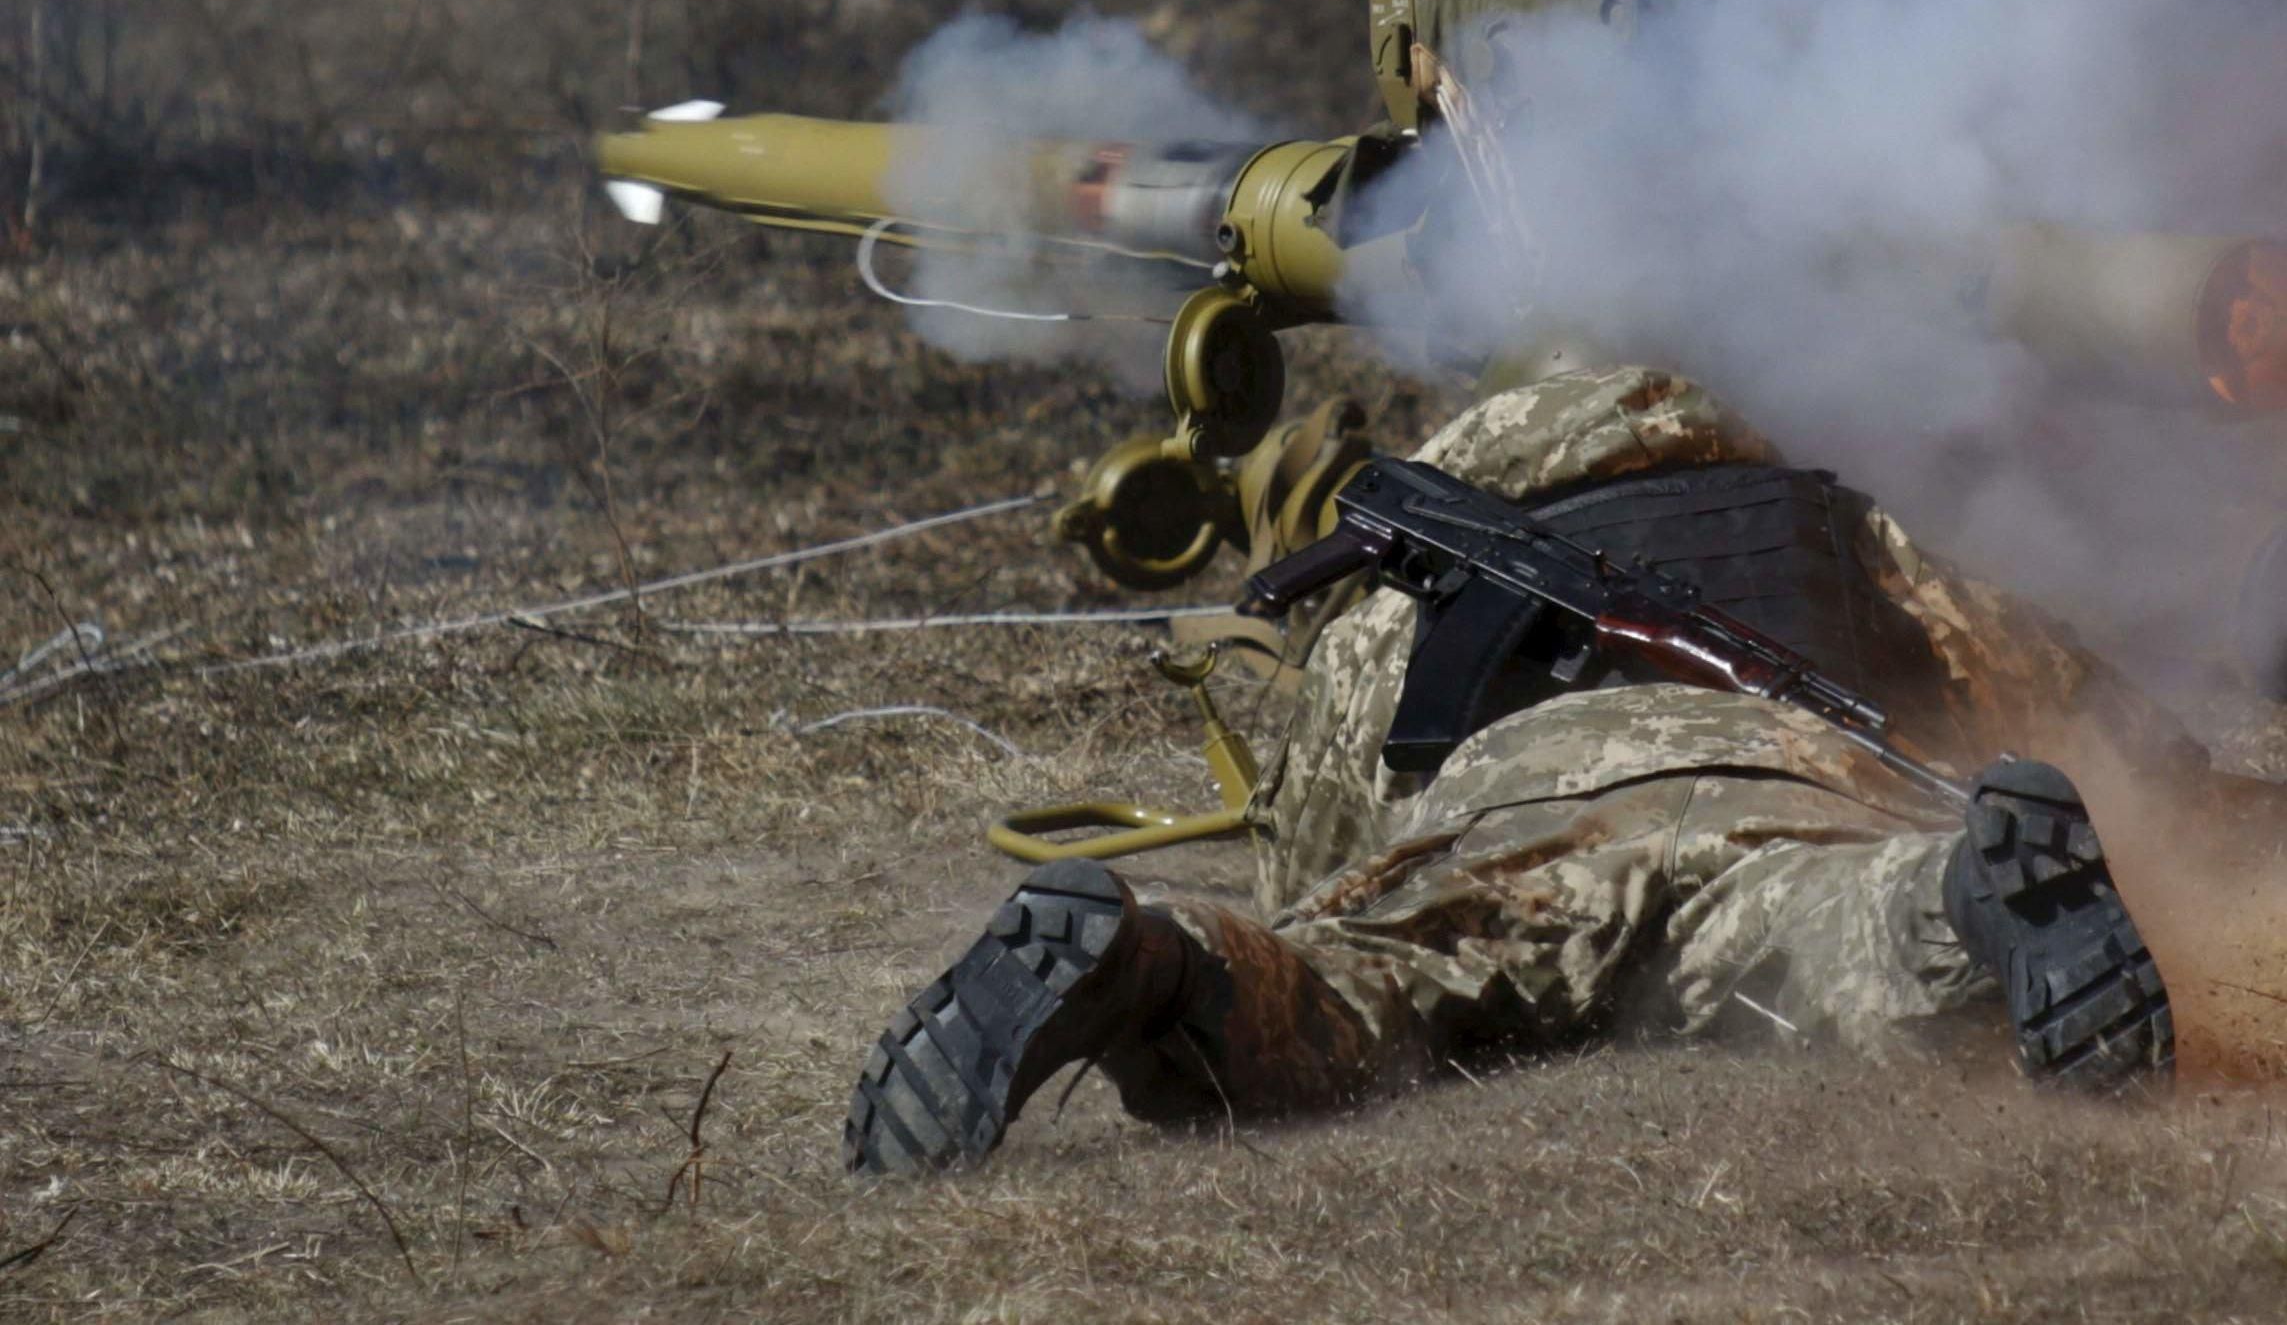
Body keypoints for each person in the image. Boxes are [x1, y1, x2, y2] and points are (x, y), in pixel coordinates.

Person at [845, 366, 2195, 1173]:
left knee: (1349, 984)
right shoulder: (1830, 524)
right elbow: (2029, 678)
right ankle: (1962, 900)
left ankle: (1138, 965)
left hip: (1505, 814)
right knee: (1843, 931)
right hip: (1782, 787)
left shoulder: (1398, 588)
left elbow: (1327, 814)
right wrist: (2195, 788)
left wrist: (1320, 919)